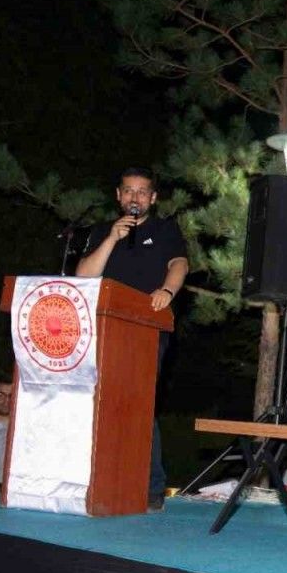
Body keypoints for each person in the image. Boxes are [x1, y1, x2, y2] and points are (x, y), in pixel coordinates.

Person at [77, 167, 188, 511]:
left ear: (152, 198)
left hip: (145, 327)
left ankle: (151, 486)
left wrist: (167, 290)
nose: (134, 197)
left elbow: (180, 264)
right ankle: (95, 479)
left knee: (139, 403)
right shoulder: (102, 231)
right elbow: (84, 276)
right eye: (128, 191)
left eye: (142, 192)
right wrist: (112, 238)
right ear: (118, 195)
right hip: (103, 328)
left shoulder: (165, 229)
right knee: (96, 401)